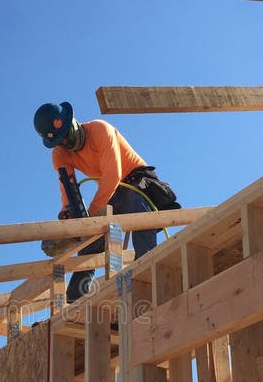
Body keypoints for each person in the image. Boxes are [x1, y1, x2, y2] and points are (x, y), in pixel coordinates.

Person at [33, 100, 179, 302]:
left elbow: (113, 175)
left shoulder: (100, 130)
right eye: (61, 141)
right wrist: (70, 214)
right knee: (91, 242)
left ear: (72, 122)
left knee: (136, 210)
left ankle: (147, 274)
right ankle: (75, 299)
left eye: (67, 135)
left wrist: (90, 216)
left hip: (136, 181)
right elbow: (67, 188)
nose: (66, 142)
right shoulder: (60, 154)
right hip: (113, 193)